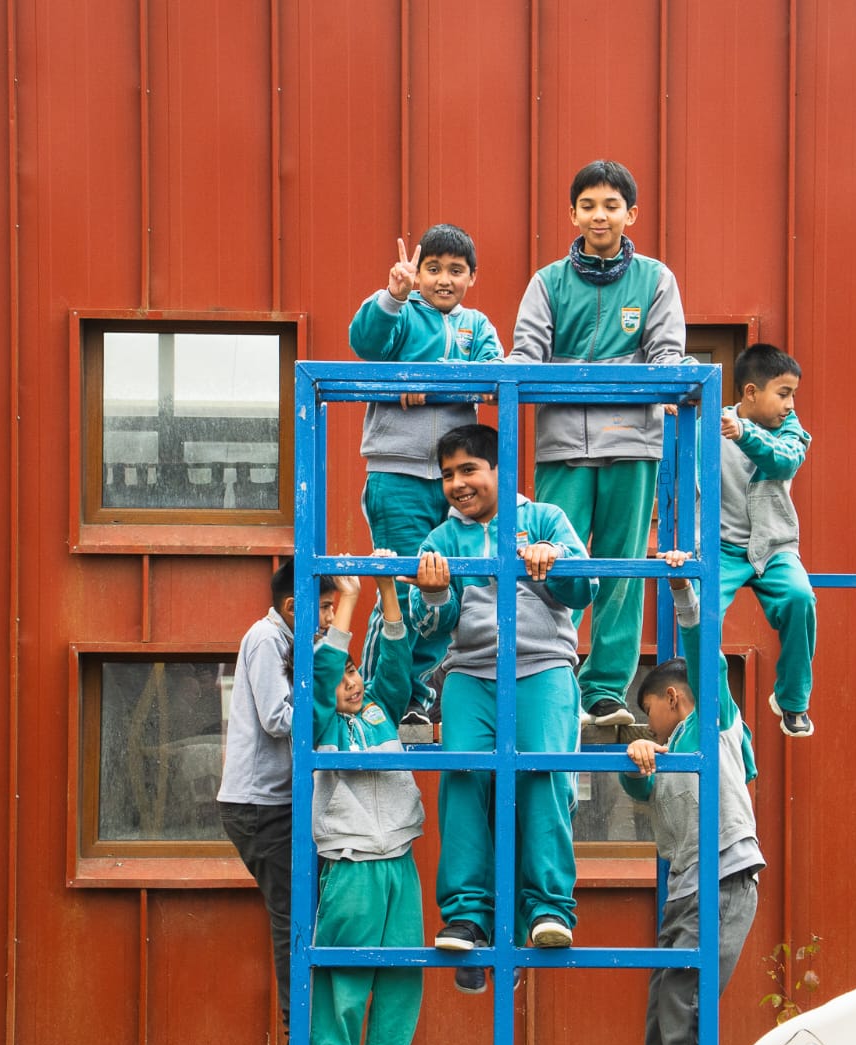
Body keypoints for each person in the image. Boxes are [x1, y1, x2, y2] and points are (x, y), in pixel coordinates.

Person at [409, 423, 597, 987]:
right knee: (463, 776)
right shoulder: (441, 540)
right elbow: (432, 630)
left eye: (469, 470)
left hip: (541, 668)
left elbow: (585, 589)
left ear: (499, 470)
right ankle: (469, 916)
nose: (456, 484)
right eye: (447, 475)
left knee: (545, 775)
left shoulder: (542, 519)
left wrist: (553, 562)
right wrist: (438, 591)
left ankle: (545, 909)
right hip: (473, 670)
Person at [506, 159, 688, 727]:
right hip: (562, 442)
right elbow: (526, 351)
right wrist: (508, 372)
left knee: (623, 565)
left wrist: (667, 374)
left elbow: (667, 352)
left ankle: (604, 687)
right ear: (572, 213)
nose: (600, 215)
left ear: (631, 214)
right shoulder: (549, 281)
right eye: (588, 205)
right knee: (550, 561)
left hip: (631, 442)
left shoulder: (656, 279)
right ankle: (546, 672)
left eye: (612, 205)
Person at [614, 551, 763, 1045]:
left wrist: (682, 590)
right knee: (661, 1005)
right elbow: (641, 793)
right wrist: (635, 752)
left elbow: (705, 652)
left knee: (686, 996)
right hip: (686, 889)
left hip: (724, 880)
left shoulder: (714, 726)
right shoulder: (669, 750)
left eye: (651, 711)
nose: (651, 721)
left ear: (675, 698)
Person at [349, 224, 504, 723]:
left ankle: (416, 694)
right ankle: (383, 693)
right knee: (401, 579)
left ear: (472, 277)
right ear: (417, 275)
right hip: (397, 471)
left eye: (455, 271)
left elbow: (492, 376)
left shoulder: (476, 326)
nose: (443, 279)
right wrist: (392, 296)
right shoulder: (402, 316)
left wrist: (428, 386)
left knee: (442, 585)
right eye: (431, 269)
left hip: (452, 478)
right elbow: (366, 345)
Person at [307, 556, 425, 1045]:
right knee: (343, 988)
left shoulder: (379, 710)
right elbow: (324, 666)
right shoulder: (320, 723)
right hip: (350, 865)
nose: (350, 680)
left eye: (354, 671)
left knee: (403, 983)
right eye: (340, 673)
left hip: (399, 860)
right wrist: (346, 604)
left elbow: (398, 661)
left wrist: (387, 591)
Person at [215, 561, 336, 1045]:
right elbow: (277, 716)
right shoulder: (268, 639)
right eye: (325, 608)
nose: (330, 618)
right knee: (292, 917)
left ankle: (305, 1029)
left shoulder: (292, 641)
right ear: (294, 607)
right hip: (259, 806)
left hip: (276, 802)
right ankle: (297, 1037)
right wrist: (331, 706)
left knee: (303, 911)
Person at [719, 343, 817, 737]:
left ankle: (792, 700)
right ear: (750, 393)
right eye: (784, 393)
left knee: (800, 598)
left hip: (773, 547)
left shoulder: (791, 431)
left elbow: (782, 460)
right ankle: (715, 702)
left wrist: (744, 434)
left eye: (793, 394)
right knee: (698, 615)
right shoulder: (710, 422)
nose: (791, 404)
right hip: (721, 548)